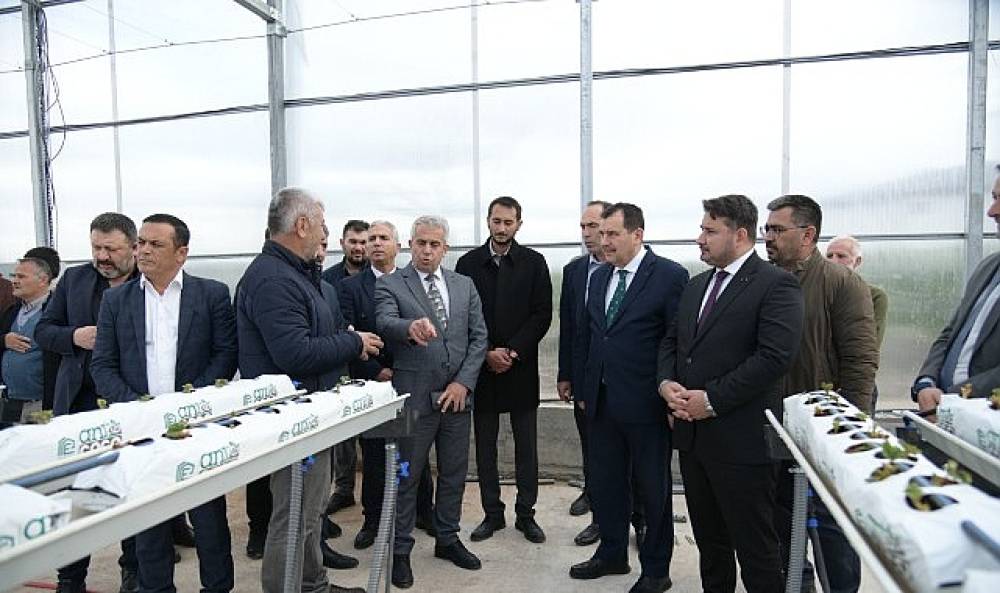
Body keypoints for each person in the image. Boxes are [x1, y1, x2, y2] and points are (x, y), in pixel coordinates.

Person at [236, 187, 381, 593]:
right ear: (301, 225)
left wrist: (343, 338)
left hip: (311, 414)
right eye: (321, 225)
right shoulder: (272, 279)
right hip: (292, 419)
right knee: (293, 515)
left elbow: (315, 334)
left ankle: (313, 583)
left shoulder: (296, 274)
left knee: (310, 510)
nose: (324, 233)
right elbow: (295, 352)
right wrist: (352, 342)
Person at [658, 195, 803, 593]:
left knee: (756, 548)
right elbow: (672, 342)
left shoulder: (776, 284)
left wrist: (711, 400)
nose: (699, 239)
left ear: (740, 235)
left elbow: (774, 357)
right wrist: (666, 383)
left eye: (709, 231)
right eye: (701, 229)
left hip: (743, 444)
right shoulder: (696, 286)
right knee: (710, 544)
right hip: (694, 440)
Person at [90, 214, 236, 593]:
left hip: (197, 428)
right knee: (148, 525)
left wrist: (189, 407)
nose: (143, 251)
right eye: (140, 243)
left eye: (155, 244)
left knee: (209, 521)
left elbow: (225, 355)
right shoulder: (116, 300)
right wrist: (142, 410)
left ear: (181, 253)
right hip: (141, 430)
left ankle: (217, 588)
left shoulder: (212, 294)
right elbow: (102, 364)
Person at [570, 203, 688, 593]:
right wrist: (585, 389)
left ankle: (656, 570)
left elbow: (676, 341)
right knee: (606, 484)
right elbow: (591, 336)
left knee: (653, 490)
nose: (602, 241)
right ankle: (612, 554)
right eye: (600, 233)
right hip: (601, 402)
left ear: (637, 234)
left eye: (612, 234)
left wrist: (670, 396)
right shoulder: (601, 276)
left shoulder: (669, 276)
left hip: (647, 405)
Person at [765, 194, 878, 593]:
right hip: (775, 424)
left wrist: (848, 433)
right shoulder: (764, 281)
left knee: (830, 520)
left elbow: (860, 361)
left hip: (824, 426)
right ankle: (799, 582)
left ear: (808, 234)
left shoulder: (840, 283)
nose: (768, 237)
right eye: (767, 229)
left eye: (778, 229)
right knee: (781, 515)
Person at [375, 215, 488, 589]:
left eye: (434, 244)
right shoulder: (391, 284)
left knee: (454, 472)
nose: (427, 251)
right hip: (412, 398)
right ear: (410, 245)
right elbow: (385, 321)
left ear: (445, 248)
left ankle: (447, 538)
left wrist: (463, 384)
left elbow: (479, 338)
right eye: (421, 243)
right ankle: (400, 550)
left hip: (457, 399)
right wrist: (409, 328)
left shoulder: (463, 285)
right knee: (406, 475)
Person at [35, 212, 141, 593]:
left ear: (133, 247)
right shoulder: (74, 280)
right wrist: (74, 337)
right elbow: (44, 331)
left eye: (111, 248)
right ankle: (70, 578)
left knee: (131, 495)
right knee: (76, 500)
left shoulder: (148, 283)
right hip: (78, 407)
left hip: (128, 406)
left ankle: (134, 573)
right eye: (96, 247)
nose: (102, 256)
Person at [456, 196, 553, 544]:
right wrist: (485, 354)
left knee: (526, 448)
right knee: (485, 447)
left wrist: (512, 351)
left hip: (519, 367)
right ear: (488, 221)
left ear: (518, 225)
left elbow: (542, 314)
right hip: (482, 369)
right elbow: (462, 316)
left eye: (508, 222)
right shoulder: (468, 264)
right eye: (496, 221)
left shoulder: (534, 263)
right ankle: (492, 514)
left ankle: (526, 514)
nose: (501, 228)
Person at [338, 220, 436, 550]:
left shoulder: (413, 282)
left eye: (383, 238)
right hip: (374, 382)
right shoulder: (350, 288)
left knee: (415, 448)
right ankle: (373, 520)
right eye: (371, 239)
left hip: (411, 378)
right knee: (375, 454)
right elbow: (347, 334)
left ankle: (424, 511)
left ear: (398, 245)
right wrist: (376, 370)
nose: (376, 243)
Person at [913, 166, 1000, 407]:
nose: (991, 211)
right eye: (994, 198)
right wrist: (926, 381)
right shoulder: (988, 267)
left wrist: (952, 398)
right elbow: (950, 333)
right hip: (944, 408)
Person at [557, 200, 609, 547]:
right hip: (584, 377)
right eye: (583, 227)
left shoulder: (629, 271)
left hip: (619, 379)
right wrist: (566, 374)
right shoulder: (575, 271)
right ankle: (592, 493)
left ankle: (629, 515)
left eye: (595, 227)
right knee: (590, 442)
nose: (588, 234)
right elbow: (569, 327)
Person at [321, 219, 370, 516]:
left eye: (364, 242)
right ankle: (343, 489)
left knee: (373, 432)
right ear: (342, 243)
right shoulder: (327, 279)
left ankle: (376, 494)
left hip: (371, 363)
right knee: (342, 435)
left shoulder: (379, 276)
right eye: (353, 241)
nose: (359, 247)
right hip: (339, 363)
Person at [826, 235, 889, 408]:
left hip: (854, 379)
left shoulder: (873, 295)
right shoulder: (819, 293)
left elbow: (869, 344)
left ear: (857, 261)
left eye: (841, 256)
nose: (834, 261)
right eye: (829, 256)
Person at [1, 251, 60, 420]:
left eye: (21, 276)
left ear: (43, 280)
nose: (14, 281)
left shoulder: (58, 312)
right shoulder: (11, 312)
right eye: (13, 276)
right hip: (10, 401)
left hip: (40, 405)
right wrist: (4, 340)